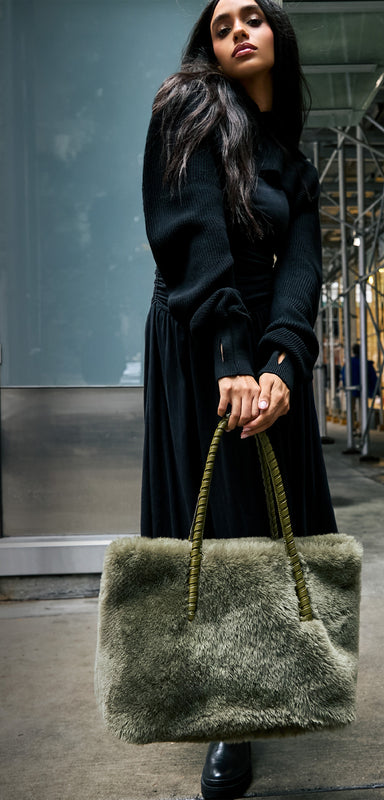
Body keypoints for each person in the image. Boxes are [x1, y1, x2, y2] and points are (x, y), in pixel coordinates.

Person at [141, 1, 337, 797]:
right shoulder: (188, 105)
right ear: (209, 47)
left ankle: (271, 680)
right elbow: (192, 228)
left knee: (271, 516)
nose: (236, 33)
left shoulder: (293, 158)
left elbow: (302, 266)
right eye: (221, 26)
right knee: (217, 516)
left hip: (264, 344)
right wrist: (230, 352)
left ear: (277, 35)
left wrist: (284, 363)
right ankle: (227, 716)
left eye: (250, 17)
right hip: (200, 332)